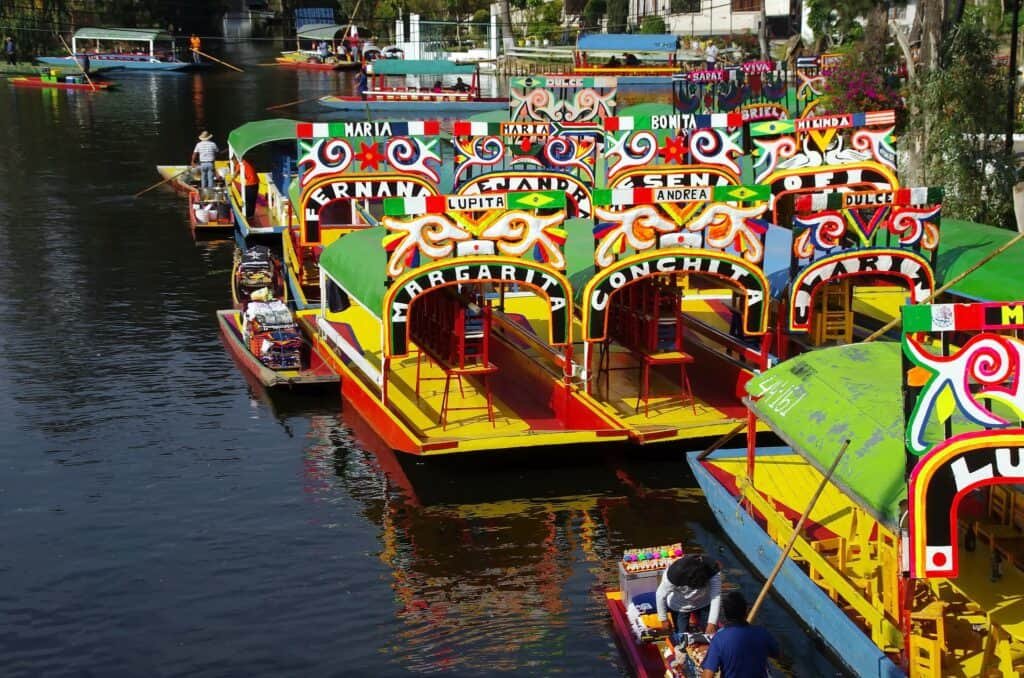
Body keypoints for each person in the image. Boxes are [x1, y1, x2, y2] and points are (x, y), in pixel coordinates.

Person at [701, 591, 779, 678]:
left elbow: (707, 675)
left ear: (726, 614)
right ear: (746, 611)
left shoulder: (719, 639)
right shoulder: (763, 633)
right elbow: (776, 654)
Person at [656, 553, 722, 636]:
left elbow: (716, 596)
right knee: (682, 635)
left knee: (711, 633)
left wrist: (712, 623)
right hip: (679, 606)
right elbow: (660, 595)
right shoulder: (673, 574)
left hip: (704, 602)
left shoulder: (712, 569)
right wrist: (664, 619)